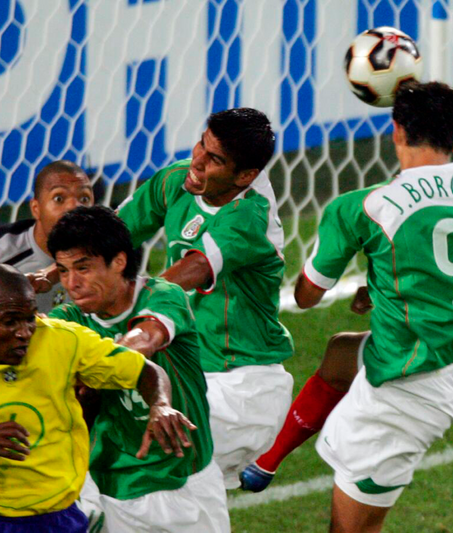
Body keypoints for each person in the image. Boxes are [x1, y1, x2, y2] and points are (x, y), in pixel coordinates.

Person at [247, 81, 453, 532]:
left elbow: (305, 297)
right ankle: (266, 461)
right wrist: (389, 286)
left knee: (350, 529)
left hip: (409, 388)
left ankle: (266, 462)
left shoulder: (363, 207)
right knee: (341, 354)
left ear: (396, 131)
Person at [116, 107, 294, 488]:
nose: (197, 160)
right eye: (201, 144)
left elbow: (193, 269)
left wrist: (127, 312)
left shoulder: (249, 216)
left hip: (243, 388)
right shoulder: (177, 180)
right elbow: (111, 234)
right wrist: (55, 270)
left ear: (245, 176)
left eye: (214, 159)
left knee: (138, 471)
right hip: (191, 373)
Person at [47, 206, 229, 533]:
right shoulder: (67, 321)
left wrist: (91, 373)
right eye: (63, 271)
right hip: (112, 489)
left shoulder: (162, 296)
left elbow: (145, 338)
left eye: (83, 268)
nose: (72, 283)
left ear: (118, 261)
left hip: (184, 484)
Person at [0, 264, 197, 533]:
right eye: (10, 322)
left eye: (30, 318)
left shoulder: (61, 340)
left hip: (56, 513)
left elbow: (144, 370)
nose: (25, 332)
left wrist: (160, 404)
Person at [0, 160, 94, 313]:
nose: (74, 207)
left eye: (84, 199)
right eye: (59, 198)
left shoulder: (105, 254)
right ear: (36, 209)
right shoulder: (5, 250)